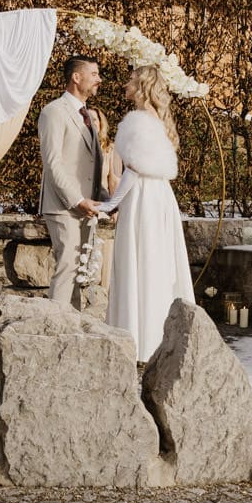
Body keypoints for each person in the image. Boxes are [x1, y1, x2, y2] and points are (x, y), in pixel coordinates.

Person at [96, 64, 194, 361]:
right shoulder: (160, 120)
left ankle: (138, 337)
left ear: (141, 86)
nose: (125, 83)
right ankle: (159, 336)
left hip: (142, 199)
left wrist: (111, 204)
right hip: (162, 197)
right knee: (158, 265)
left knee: (138, 261)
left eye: (130, 79)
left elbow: (133, 170)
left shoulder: (136, 121)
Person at [37, 54, 105, 308]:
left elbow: (92, 165)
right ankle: (55, 327)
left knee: (79, 271)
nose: (99, 79)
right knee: (67, 267)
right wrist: (76, 200)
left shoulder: (86, 114)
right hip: (64, 205)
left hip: (87, 207)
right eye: (94, 74)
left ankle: (72, 328)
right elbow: (52, 162)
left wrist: (106, 199)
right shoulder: (54, 112)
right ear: (77, 77)